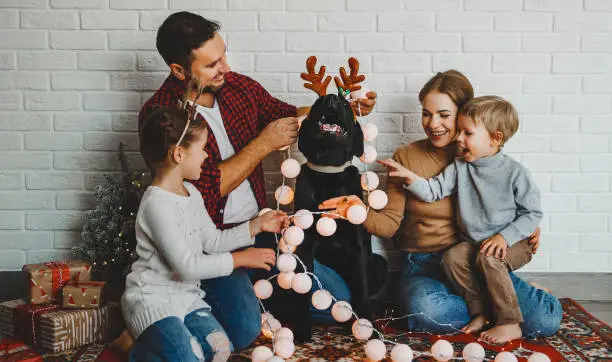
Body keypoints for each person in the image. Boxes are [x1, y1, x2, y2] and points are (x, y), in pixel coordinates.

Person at [138, 11, 378, 350]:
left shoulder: (238, 87)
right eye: (212, 64)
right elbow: (203, 191)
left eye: (223, 56)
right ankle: (209, 309)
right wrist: (263, 144)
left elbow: (293, 116)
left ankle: (258, 297)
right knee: (245, 328)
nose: (225, 68)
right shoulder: (162, 117)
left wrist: (343, 110)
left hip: (260, 232)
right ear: (179, 70)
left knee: (340, 302)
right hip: (211, 246)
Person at [319, 70, 562, 339]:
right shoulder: (408, 156)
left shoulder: (480, 154)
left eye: (444, 115)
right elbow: (390, 223)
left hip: (474, 258)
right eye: (426, 113)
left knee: (545, 320)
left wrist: (521, 228)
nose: (433, 123)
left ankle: (500, 306)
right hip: (425, 263)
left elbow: (510, 202)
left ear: (465, 115)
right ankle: (496, 306)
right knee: (426, 312)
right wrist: (357, 210)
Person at [123, 106, 288, 362]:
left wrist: (257, 225)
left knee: (221, 349)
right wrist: (242, 259)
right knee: (190, 357)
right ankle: (138, 350)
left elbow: (213, 242)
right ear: (179, 154)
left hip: (188, 299)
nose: (206, 155)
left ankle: (157, 345)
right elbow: (188, 266)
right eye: (201, 149)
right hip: (154, 302)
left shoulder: (192, 193)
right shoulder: (157, 204)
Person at [384, 95, 541, 344]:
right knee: (453, 258)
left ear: (495, 138)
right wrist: (409, 178)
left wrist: (505, 236)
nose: (459, 138)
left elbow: (532, 213)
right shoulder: (460, 166)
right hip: (476, 245)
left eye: (467, 133)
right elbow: (434, 190)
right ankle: (480, 310)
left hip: (512, 242)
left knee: (489, 259)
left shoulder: (515, 173)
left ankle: (509, 322)